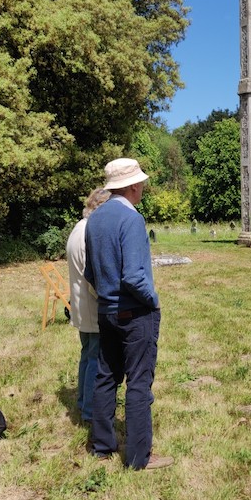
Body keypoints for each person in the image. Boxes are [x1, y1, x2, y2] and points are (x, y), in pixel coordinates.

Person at [84, 158, 171, 470]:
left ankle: (102, 446)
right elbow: (134, 277)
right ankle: (137, 457)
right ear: (134, 185)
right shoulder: (131, 220)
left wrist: (107, 295)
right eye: (141, 182)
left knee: (106, 377)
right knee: (138, 381)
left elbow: (89, 272)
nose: (143, 186)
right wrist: (154, 300)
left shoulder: (95, 219)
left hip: (107, 312)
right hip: (135, 314)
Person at [66, 187, 110, 424]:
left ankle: (84, 403)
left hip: (81, 306)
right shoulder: (88, 233)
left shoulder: (78, 228)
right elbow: (93, 276)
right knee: (95, 359)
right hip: (93, 306)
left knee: (87, 355)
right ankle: (91, 410)